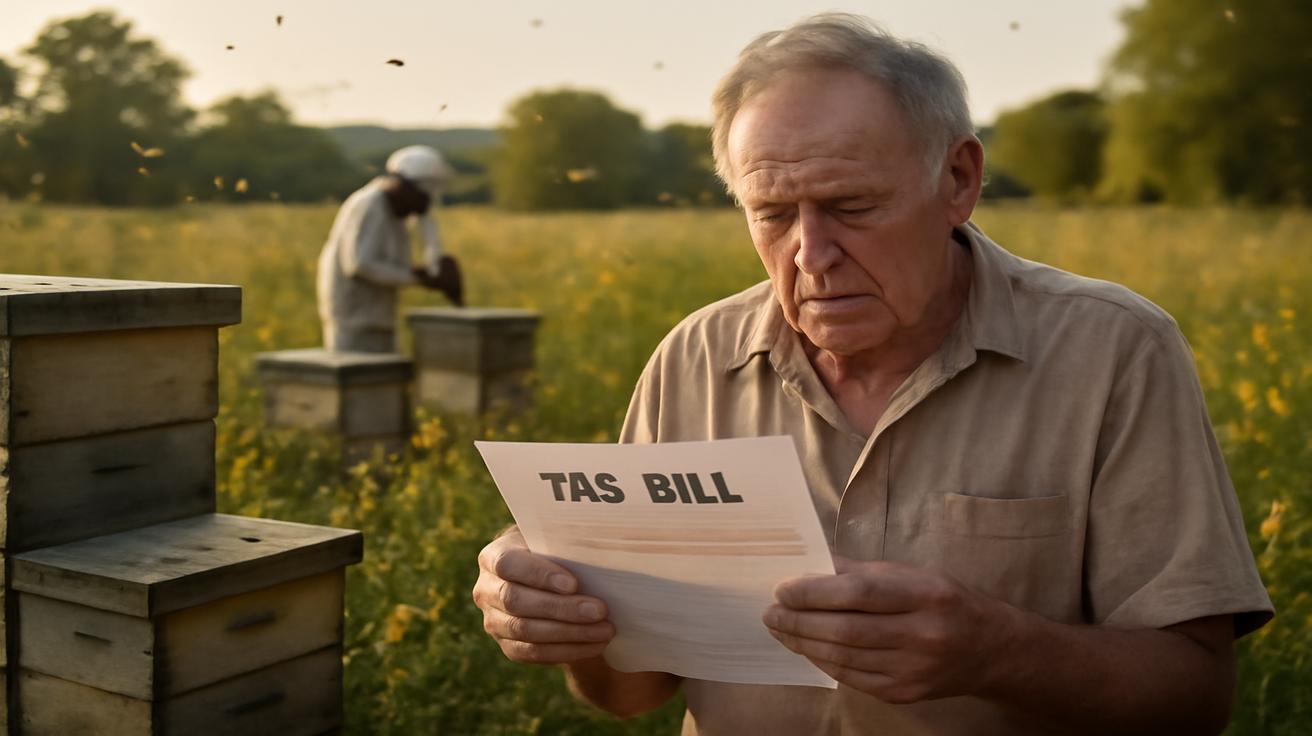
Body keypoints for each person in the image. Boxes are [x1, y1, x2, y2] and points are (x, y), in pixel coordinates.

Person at [471, 13, 1273, 734]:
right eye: (774, 214)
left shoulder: (1113, 351)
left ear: (958, 180)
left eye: (852, 207)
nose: (811, 257)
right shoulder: (695, 356)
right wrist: (569, 626)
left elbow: (1196, 696)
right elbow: (632, 692)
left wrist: (996, 651)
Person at [317, 145, 464, 353]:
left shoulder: (402, 206)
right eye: (423, 195)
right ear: (402, 184)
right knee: (357, 376)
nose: (426, 202)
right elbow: (360, 264)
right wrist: (419, 278)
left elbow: (429, 235)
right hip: (353, 317)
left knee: (382, 376)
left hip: (378, 314)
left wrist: (437, 265)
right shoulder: (369, 205)